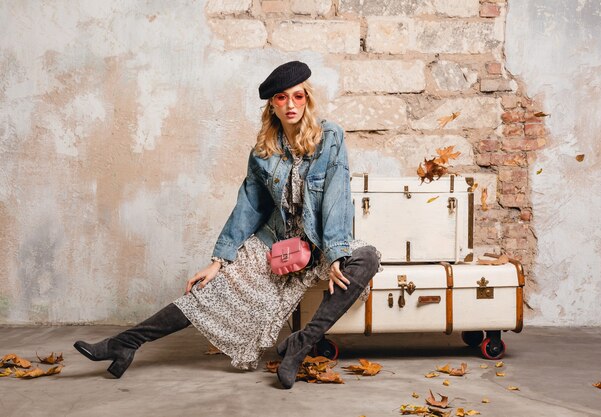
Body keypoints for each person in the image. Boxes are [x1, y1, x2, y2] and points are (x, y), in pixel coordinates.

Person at [73, 61, 380, 389]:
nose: (291, 105)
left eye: (298, 96)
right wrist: (220, 260)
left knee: (367, 258)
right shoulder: (263, 153)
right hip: (277, 244)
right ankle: (125, 343)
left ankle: (299, 345)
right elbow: (249, 207)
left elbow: (336, 193)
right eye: (281, 98)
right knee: (206, 292)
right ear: (271, 105)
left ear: (307, 99)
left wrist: (334, 252)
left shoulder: (329, 137)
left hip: (320, 242)